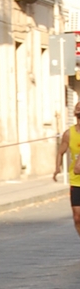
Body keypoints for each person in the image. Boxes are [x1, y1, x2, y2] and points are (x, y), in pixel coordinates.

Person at [53, 100, 80, 239]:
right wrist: (57, 167)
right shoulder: (69, 134)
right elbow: (60, 152)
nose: (78, 108)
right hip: (76, 181)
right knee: (77, 217)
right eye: (77, 107)